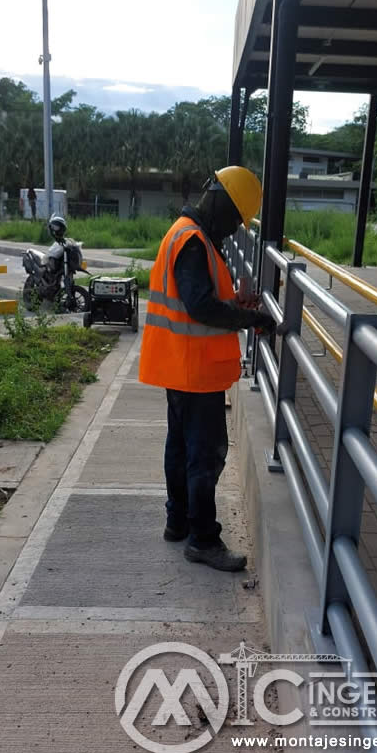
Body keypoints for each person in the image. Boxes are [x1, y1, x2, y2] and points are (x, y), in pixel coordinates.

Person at [139, 166, 275, 572]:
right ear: (220, 202)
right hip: (194, 370)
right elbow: (200, 306)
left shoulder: (187, 233)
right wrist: (251, 319)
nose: (235, 231)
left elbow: (201, 300)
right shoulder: (194, 241)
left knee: (180, 447)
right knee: (205, 454)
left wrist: (236, 306)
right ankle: (203, 538)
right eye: (235, 220)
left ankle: (177, 521)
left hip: (182, 365)